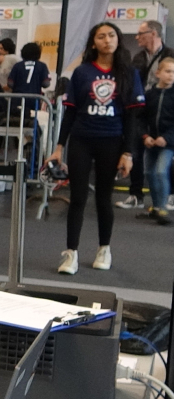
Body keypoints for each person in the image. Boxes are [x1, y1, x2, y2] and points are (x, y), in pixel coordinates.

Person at [48, 22, 145, 275]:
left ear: (118, 40)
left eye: (111, 35)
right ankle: (71, 253)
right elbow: (69, 113)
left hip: (112, 141)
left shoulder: (129, 73)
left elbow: (132, 119)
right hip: (81, 140)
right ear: (94, 43)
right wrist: (59, 148)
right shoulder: (82, 72)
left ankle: (104, 248)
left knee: (104, 197)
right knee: (78, 198)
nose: (107, 40)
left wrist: (128, 153)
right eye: (101, 36)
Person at [117, 20, 174, 210]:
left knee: (165, 161)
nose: (137, 37)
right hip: (143, 108)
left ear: (153, 34)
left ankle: (169, 197)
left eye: (141, 33)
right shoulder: (138, 57)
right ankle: (136, 195)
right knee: (135, 150)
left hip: (167, 111)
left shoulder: (170, 55)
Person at [138, 56, 174, 225]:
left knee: (160, 171)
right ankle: (156, 206)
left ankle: (163, 208)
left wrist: (166, 138)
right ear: (158, 73)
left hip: (168, 144)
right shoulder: (149, 94)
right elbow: (141, 119)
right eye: (168, 71)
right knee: (149, 173)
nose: (171, 75)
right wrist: (145, 136)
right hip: (151, 142)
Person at [6, 42, 51, 117]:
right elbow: (46, 84)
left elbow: (10, 83)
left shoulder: (17, 66)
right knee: (32, 121)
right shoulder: (42, 66)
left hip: (17, 99)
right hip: (34, 99)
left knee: (16, 120)